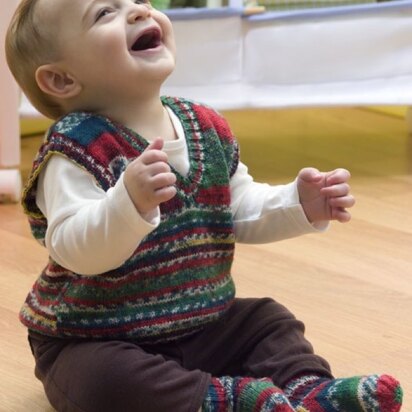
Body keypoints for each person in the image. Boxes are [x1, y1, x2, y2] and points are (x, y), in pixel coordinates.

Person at [5, 0, 403, 411]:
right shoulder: (73, 148)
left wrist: (297, 203)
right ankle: (221, 401)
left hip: (200, 322)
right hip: (95, 336)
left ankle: (307, 388)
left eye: (139, 2)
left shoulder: (203, 125)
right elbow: (73, 247)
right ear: (61, 79)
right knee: (103, 381)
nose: (140, 12)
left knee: (268, 320)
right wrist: (128, 203)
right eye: (104, 13)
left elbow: (238, 207)